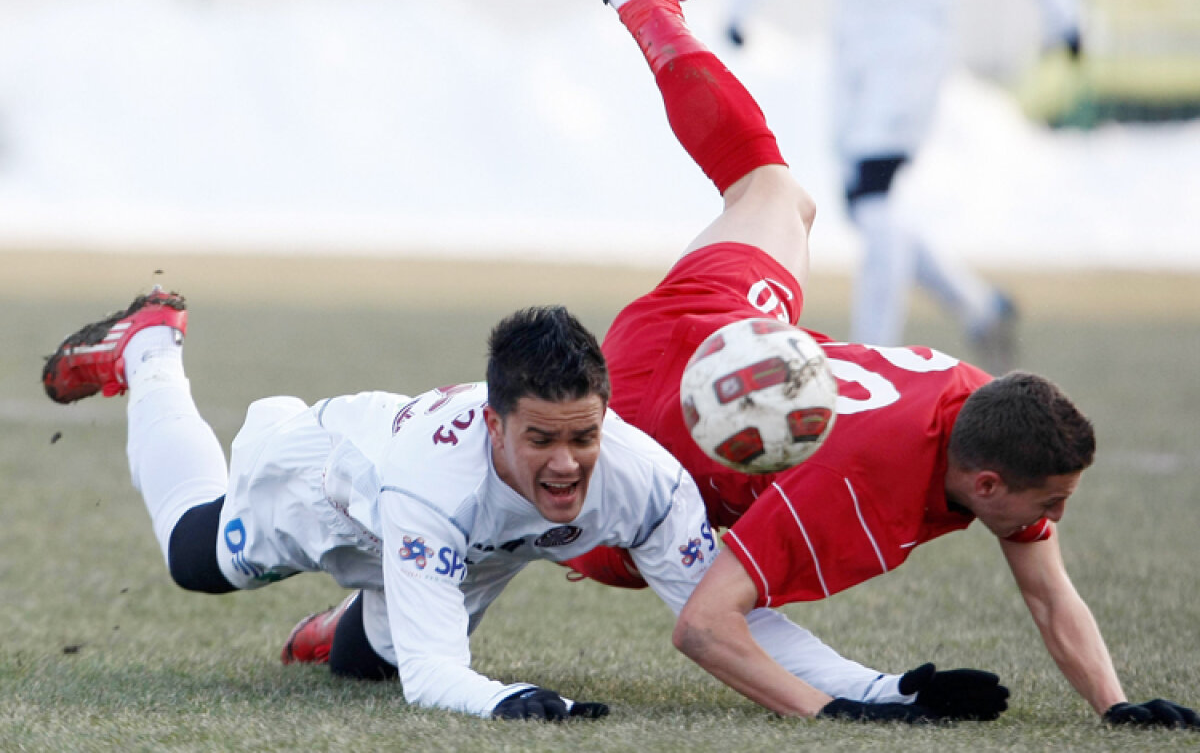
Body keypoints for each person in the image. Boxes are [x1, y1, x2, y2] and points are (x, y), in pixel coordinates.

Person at [562, 0, 1192, 728]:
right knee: (505, 530)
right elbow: (706, 624)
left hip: (722, 335)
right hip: (644, 437)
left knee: (773, 191)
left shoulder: (985, 412)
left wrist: (1116, 705)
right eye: (1055, 502)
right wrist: (834, 713)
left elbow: (1049, 596)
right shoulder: (859, 483)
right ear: (989, 485)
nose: (1054, 519)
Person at [42, 289, 1003, 723]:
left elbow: (736, 621)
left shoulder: (639, 477)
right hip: (332, 484)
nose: (566, 464)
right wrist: (518, 703)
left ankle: (334, 629)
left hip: (467, 548)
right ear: (495, 422)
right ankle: (152, 348)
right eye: (539, 439)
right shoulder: (435, 481)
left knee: (362, 664)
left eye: (581, 435)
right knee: (194, 556)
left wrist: (881, 691)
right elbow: (438, 675)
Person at [723, 0, 1084, 371]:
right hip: (852, 45)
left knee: (875, 196)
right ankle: (981, 306)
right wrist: (739, 4)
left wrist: (1063, 12)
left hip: (914, 38)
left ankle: (870, 360)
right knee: (866, 206)